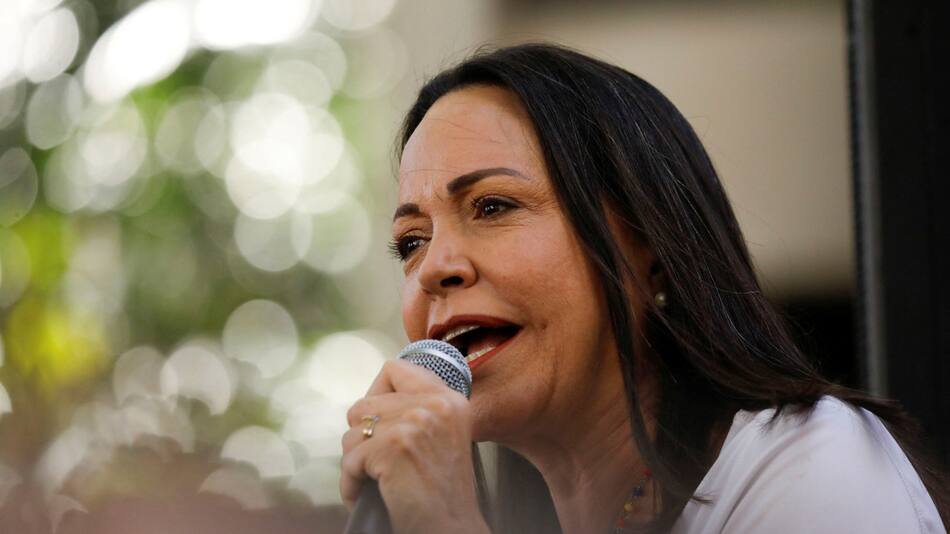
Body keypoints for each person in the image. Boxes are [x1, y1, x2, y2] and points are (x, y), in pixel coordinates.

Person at [339, 43, 948, 533]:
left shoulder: (812, 466)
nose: (434, 267)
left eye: (494, 206)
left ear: (650, 246)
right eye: (411, 241)